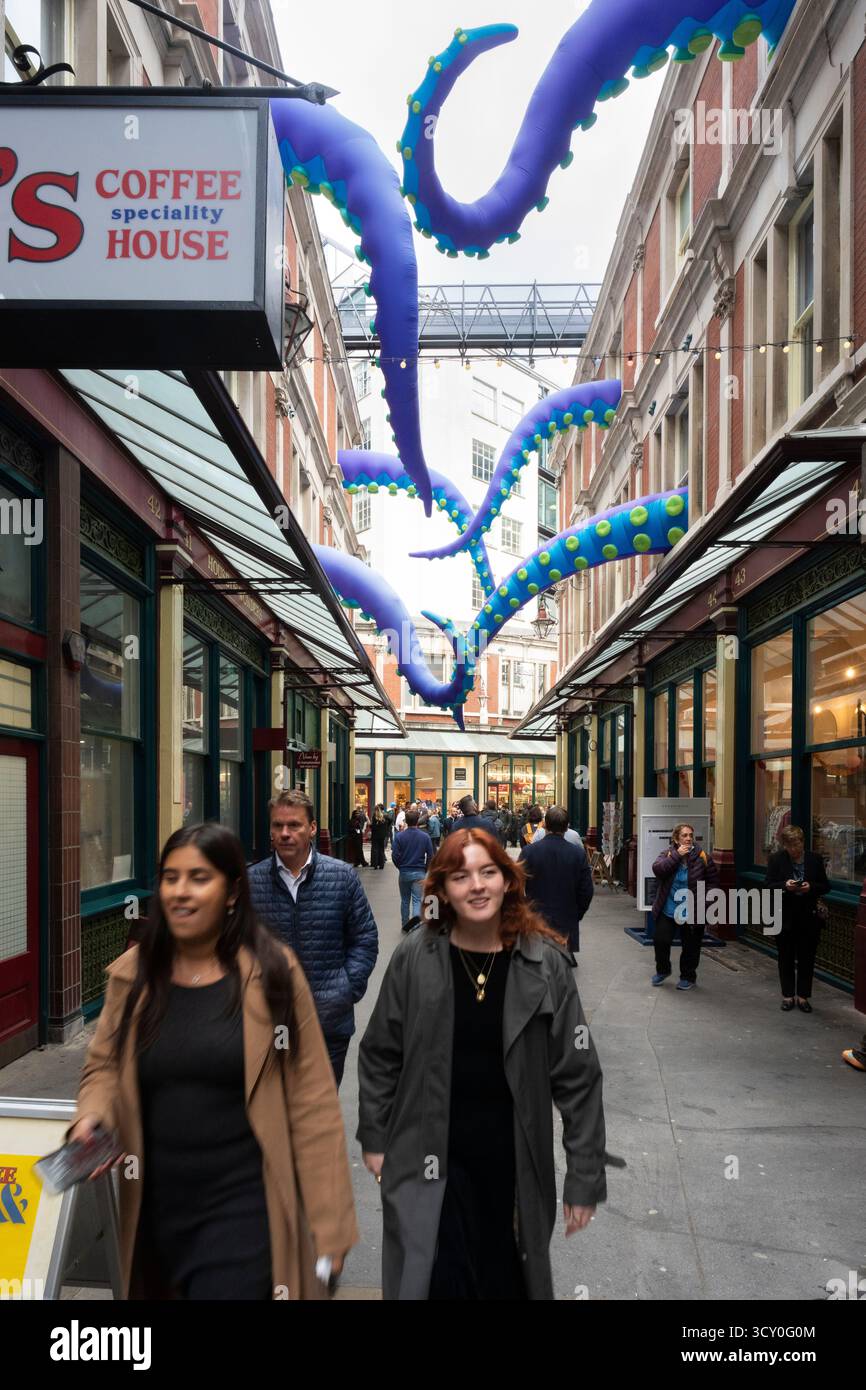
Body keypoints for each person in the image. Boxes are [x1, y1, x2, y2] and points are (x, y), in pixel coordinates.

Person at [69, 822, 358, 1300]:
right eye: (170, 877)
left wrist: (331, 1224)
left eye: (199, 878)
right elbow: (102, 1066)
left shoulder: (273, 976)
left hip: (244, 1210)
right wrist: (91, 1115)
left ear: (231, 893)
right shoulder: (133, 978)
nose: (180, 892)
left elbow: (313, 1104)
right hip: (154, 1210)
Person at [358, 827, 607, 1300]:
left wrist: (584, 1173)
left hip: (512, 1163)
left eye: (488, 872)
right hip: (427, 1157)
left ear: (508, 880)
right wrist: (375, 1134)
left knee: (505, 1279)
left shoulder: (544, 963)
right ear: (442, 890)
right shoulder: (415, 956)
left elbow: (578, 1077)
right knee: (434, 1280)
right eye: (460, 875)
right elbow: (379, 1052)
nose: (476, 885)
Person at [248, 791, 378, 1086]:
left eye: (293, 825)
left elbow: (365, 938)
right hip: (268, 1023)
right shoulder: (251, 882)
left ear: (311, 828)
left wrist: (345, 988)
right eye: (277, 826)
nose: (284, 833)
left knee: (319, 1117)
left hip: (328, 1024)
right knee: (272, 1116)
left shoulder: (342, 877)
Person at [765, 825, 830, 1012]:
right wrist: (785, 885)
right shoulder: (776, 859)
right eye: (791, 845)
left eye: (798, 844)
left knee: (806, 958)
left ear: (803, 842)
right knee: (785, 957)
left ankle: (803, 996)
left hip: (808, 917)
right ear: (784, 845)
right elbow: (768, 885)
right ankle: (787, 996)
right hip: (785, 915)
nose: (795, 849)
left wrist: (811, 887)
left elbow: (825, 886)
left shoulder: (814, 859)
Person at [650, 823, 720, 991]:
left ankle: (688, 976)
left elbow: (713, 882)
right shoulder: (667, 854)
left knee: (691, 946)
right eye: (684, 835)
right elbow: (657, 870)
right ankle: (663, 970)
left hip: (693, 910)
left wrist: (706, 903)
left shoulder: (703, 856)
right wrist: (676, 856)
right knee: (661, 940)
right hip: (669, 908)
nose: (688, 838)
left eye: (690, 835)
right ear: (676, 839)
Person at [519, 805, 594, 955]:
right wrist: (577, 913)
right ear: (567, 828)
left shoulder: (529, 852)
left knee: (537, 961)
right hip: (566, 916)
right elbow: (586, 890)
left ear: (545, 825)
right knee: (562, 964)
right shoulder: (578, 854)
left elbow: (516, 885)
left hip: (536, 916)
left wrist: (525, 909)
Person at [391, 807, 433, 925]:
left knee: (404, 900)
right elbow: (430, 855)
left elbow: (395, 856)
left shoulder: (399, 836)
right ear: (417, 820)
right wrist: (425, 869)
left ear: (406, 821)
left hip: (404, 872)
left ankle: (405, 924)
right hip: (419, 871)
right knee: (416, 900)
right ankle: (415, 926)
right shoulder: (425, 837)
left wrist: (400, 866)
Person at [370, 805, 390, 870]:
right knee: (381, 849)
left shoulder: (374, 817)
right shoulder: (384, 816)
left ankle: (375, 865)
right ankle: (381, 865)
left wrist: (371, 826)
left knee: (375, 849)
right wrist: (386, 827)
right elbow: (390, 820)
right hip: (382, 835)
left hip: (375, 835)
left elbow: (374, 827)